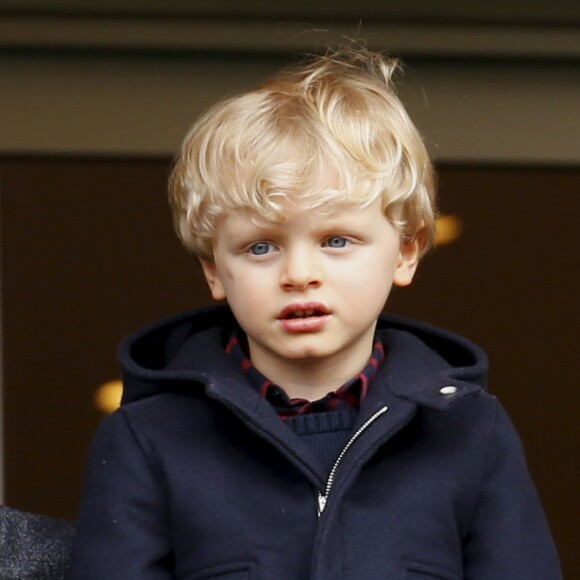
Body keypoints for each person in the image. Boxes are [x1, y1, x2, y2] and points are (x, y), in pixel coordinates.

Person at [67, 47, 561, 579]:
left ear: (407, 250)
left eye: (337, 240)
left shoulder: (470, 430)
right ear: (213, 268)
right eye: (260, 247)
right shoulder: (147, 438)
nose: (299, 272)